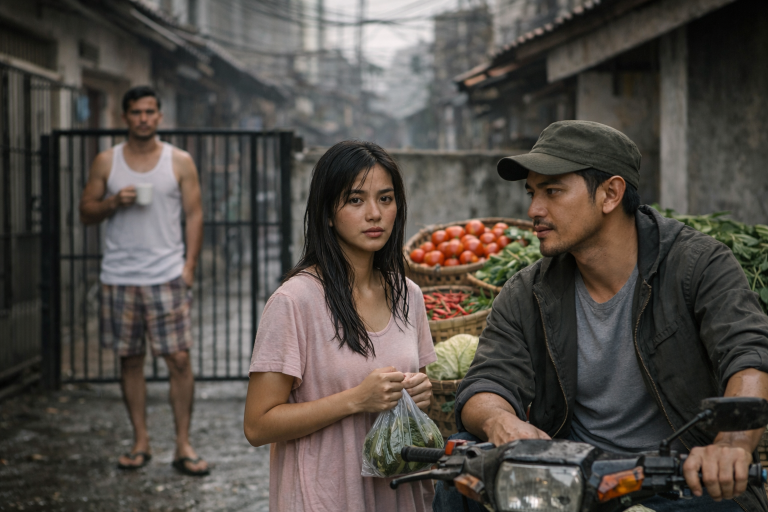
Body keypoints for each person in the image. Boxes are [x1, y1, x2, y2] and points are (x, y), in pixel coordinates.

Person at [434, 121, 768, 512]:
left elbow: (747, 352)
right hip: (570, 485)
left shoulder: (697, 265)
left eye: (552, 191)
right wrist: (498, 421)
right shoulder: (528, 291)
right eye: (532, 192)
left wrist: (730, 445)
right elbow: (488, 379)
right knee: (461, 475)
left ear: (610, 193)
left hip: (679, 480)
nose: (533, 211)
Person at [243, 140, 436, 511]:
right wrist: (355, 400)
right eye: (355, 200)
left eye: (385, 198)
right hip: (325, 498)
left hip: (400, 495)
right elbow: (258, 425)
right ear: (328, 213)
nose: (374, 214)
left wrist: (419, 394)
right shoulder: (294, 301)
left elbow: (417, 394)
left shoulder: (408, 295)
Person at [79, 86, 208, 476]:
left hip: (167, 275)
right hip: (119, 277)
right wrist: (113, 202)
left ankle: (183, 444)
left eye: (150, 111)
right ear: (125, 117)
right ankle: (140, 441)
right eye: (136, 112)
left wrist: (188, 268)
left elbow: (195, 215)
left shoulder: (179, 161)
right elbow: (85, 212)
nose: (144, 118)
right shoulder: (107, 161)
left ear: (160, 116)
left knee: (179, 359)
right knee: (129, 359)